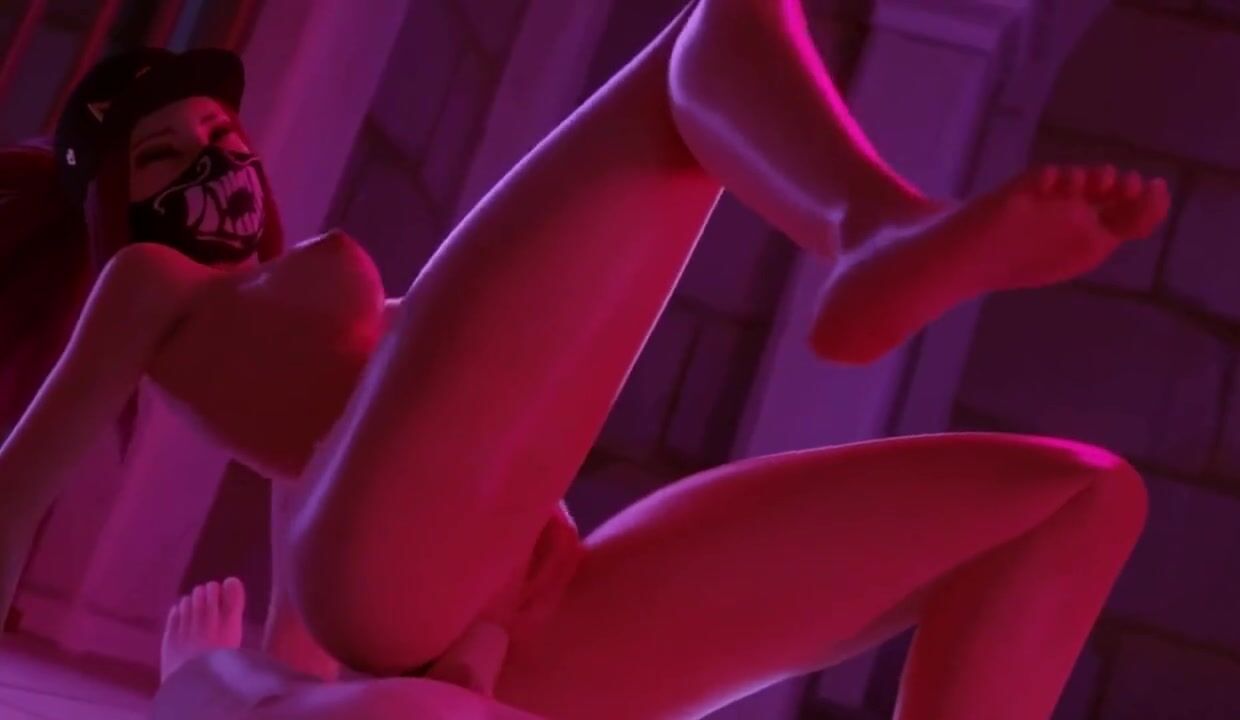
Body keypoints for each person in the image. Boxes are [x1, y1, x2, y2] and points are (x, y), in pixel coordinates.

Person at [0, 0, 1167, 718]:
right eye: (166, 156)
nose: (213, 160)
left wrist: (350, 664)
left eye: (219, 133)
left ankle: (876, 231)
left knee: (1075, 499)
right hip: (397, 578)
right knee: (711, 33)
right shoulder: (151, 283)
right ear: (117, 206)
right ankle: (870, 225)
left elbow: (336, 487)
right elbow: (25, 473)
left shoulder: (311, 334)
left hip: (534, 628)